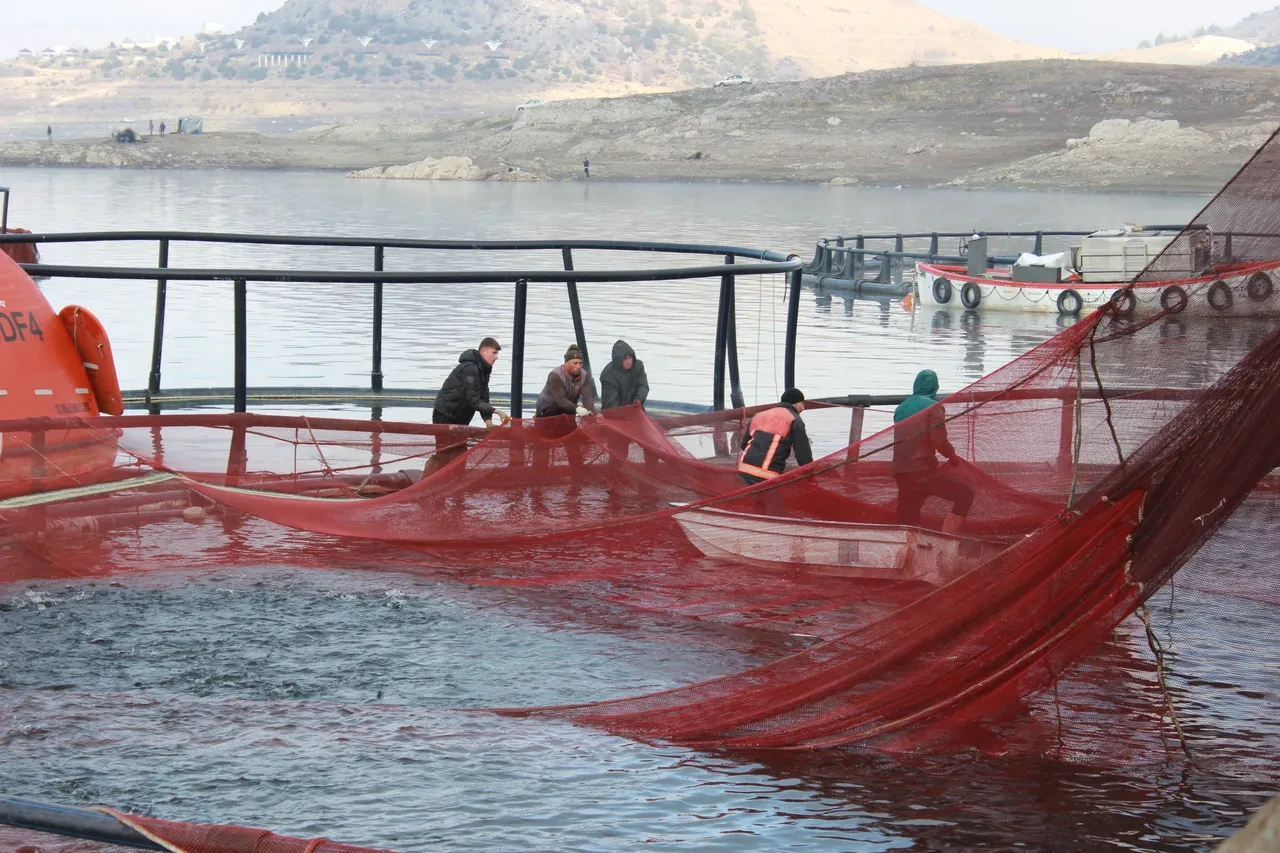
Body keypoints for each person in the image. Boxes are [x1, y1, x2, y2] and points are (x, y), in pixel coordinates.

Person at [892, 369, 975, 533]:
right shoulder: (934, 407)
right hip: (922, 471)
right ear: (935, 388)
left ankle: (906, 544)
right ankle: (948, 539)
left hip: (900, 472)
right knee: (965, 495)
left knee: (908, 517)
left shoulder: (901, 408)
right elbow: (939, 440)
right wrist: (952, 456)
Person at [737, 388, 812, 486]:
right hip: (766, 474)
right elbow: (803, 452)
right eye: (801, 403)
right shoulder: (794, 419)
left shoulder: (759, 415)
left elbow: (744, 445)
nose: (803, 407)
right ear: (794, 403)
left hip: (743, 469)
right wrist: (810, 473)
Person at [432, 337, 506, 426]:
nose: (496, 357)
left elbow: (483, 397)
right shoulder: (470, 369)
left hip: (461, 417)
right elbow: (473, 401)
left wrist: (488, 421)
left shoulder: (484, 370)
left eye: (497, 353)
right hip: (445, 415)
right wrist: (497, 411)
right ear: (483, 352)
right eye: (494, 353)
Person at [534, 344, 597, 418]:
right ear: (566, 363)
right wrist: (578, 408)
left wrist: (592, 417)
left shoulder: (585, 376)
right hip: (547, 409)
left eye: (580, 363)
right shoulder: (555, 375)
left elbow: (587, 398)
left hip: (569, 409)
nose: (578, 367)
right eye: (575, 363)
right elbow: (560, 399)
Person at [599, 340, 648, 410]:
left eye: (630, 358)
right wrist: (625, 412)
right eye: (625, 359)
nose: (628, 362)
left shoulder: (638, 366)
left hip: (635, 407)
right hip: (614, 411)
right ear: (618, 360)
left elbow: (643, 385)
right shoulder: (608, 373)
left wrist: (639, 399)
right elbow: (610, 402)